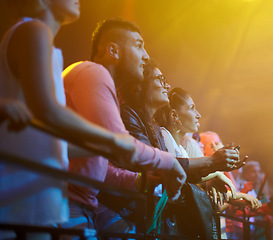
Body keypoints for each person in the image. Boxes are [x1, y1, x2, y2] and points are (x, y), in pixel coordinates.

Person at [0, 1, 146, 239]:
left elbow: (50, 138)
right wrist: (113, 140)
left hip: (34, 195)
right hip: (19, 191)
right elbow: (48, 110)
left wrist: (101, 147)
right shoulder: (34, 31)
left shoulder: (42, 39)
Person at [60, 18, 186, 235]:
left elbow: (94, 162)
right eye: (138, 45)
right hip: (66, 203)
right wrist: (169, 162)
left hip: (79, 203)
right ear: (113, 50)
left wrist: (139, 180)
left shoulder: (97, 80)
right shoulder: (93, 73)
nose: (146, 56)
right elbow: (120, 144)